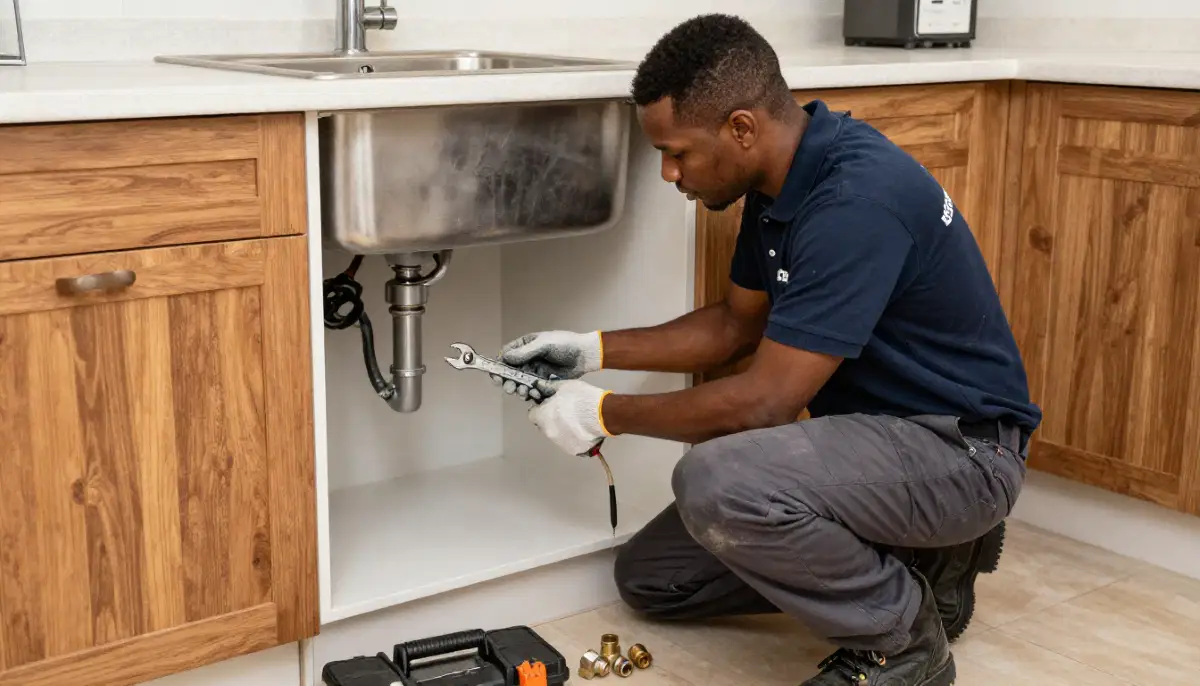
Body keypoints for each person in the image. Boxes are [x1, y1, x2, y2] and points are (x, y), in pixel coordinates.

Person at [492, 13, 1041, 686]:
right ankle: (926, 565)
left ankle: (901, 645)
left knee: (716, 482)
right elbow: (733, 325)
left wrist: (604, 415)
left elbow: (765, 403)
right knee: (655, 579)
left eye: (678, 152)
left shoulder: (856, 201)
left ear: (742, 128)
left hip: (961, 454)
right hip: (872, 442)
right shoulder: (780, 182)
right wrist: (589, 349)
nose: (668, 173)